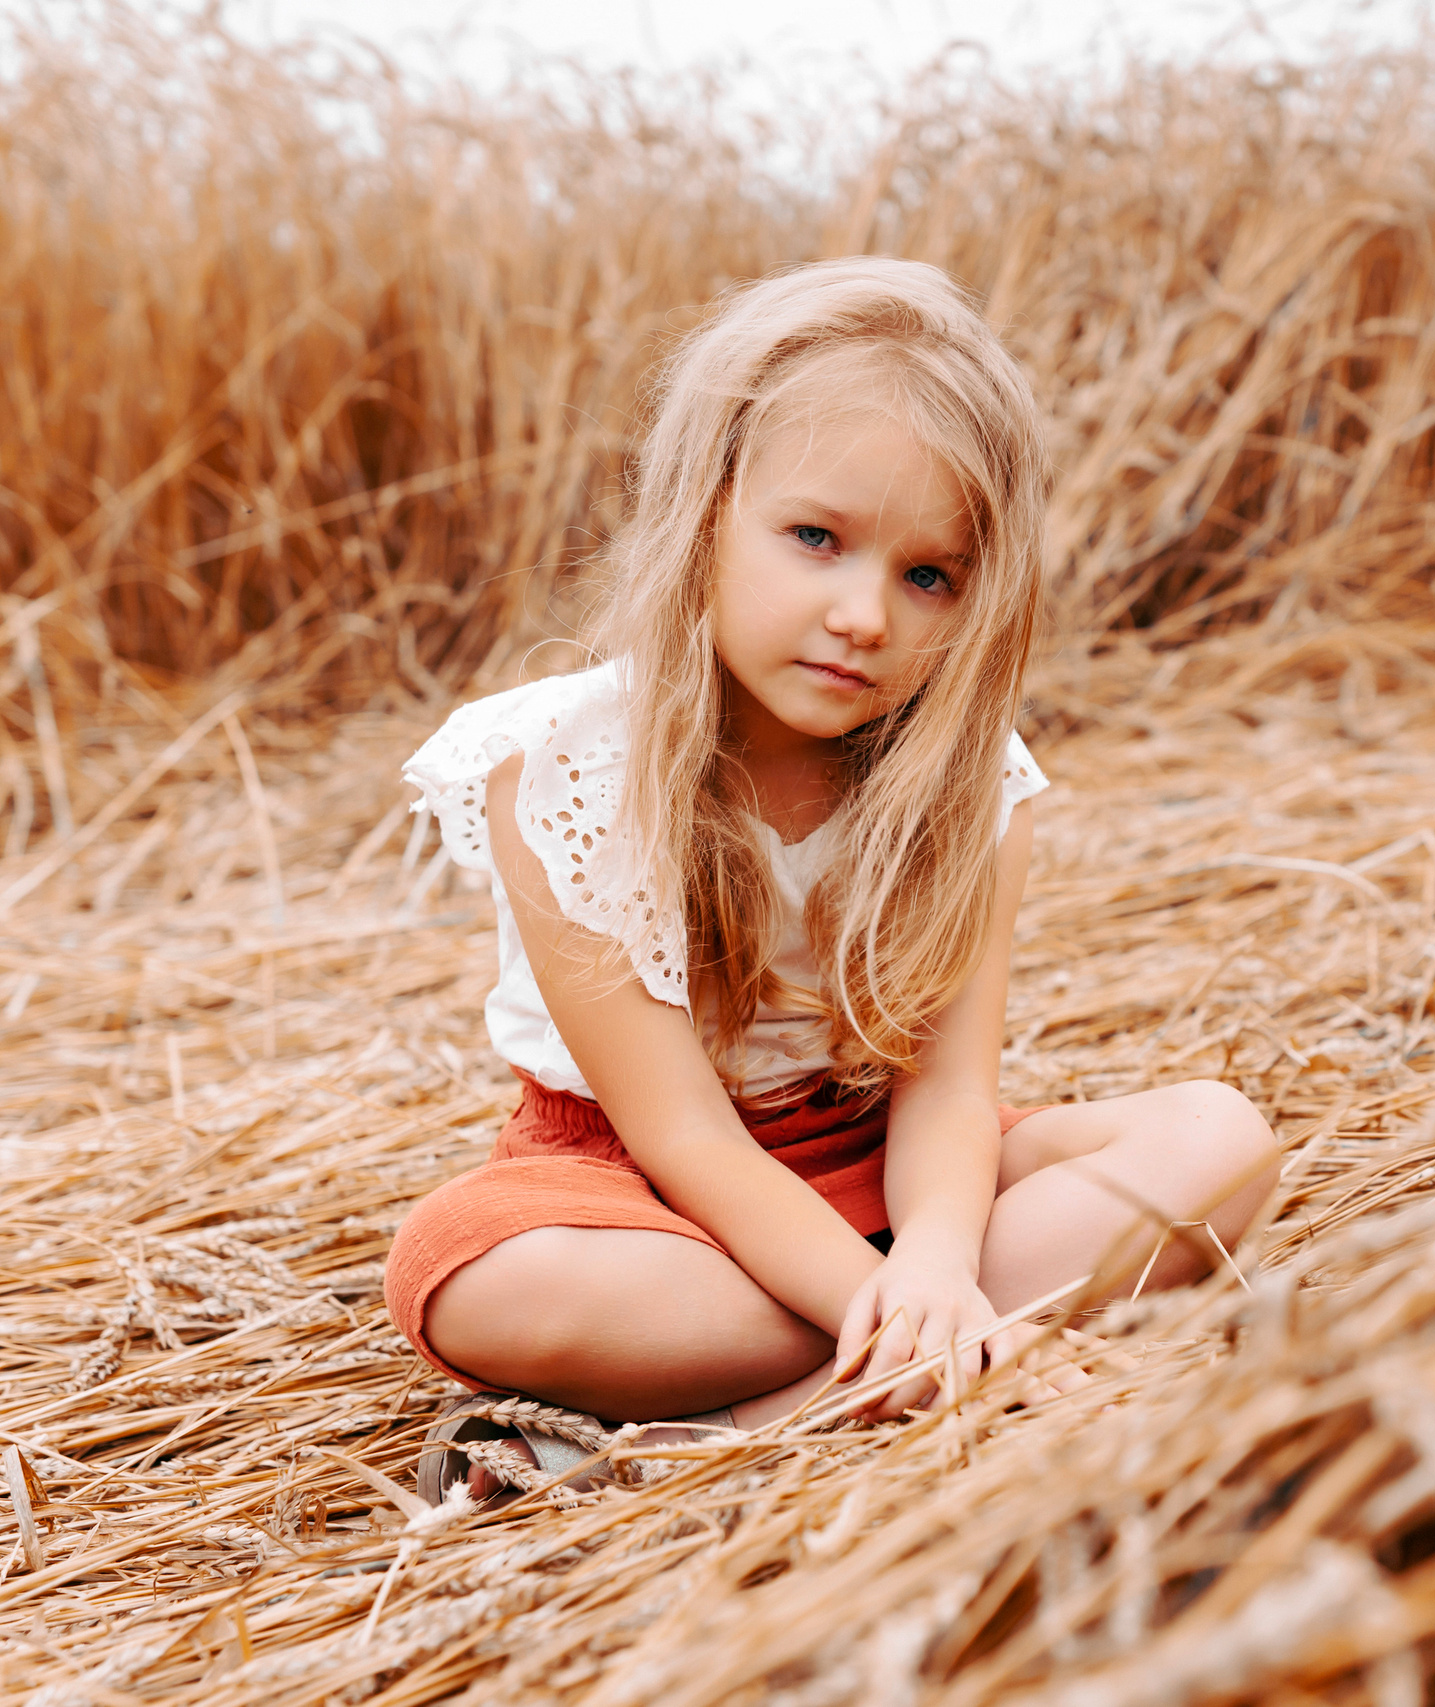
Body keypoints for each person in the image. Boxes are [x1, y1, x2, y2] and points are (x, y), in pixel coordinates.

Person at [382, 257, 1281, 1499]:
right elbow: (683, 1133)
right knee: (480, 1276)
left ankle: (749, 1423)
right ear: (708, 510)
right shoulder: (560, 769)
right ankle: (937, 1352)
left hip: (887, 1164)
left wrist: (933, 1261)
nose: (864, 614)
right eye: (815, 539)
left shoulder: (969, 781)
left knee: (1219, 1142)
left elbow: (952, 1097)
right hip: (641, 1186)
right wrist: (916, 1296)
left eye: (929, 576)